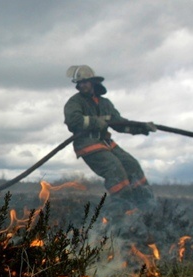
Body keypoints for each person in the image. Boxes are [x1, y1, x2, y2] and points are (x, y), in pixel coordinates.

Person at [63, 65, 156, 212]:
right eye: (79, 83)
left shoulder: (105, 104)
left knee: (132, 165)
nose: (82, 85)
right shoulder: (75, 102)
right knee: (115, 170)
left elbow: (120, 123)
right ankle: (121, 211)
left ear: (93, 82)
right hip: (87, 143)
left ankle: (147, 205)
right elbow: (72, 121)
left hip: (105, 142)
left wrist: (141, 127)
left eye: (85, 82)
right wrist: (94, 122)